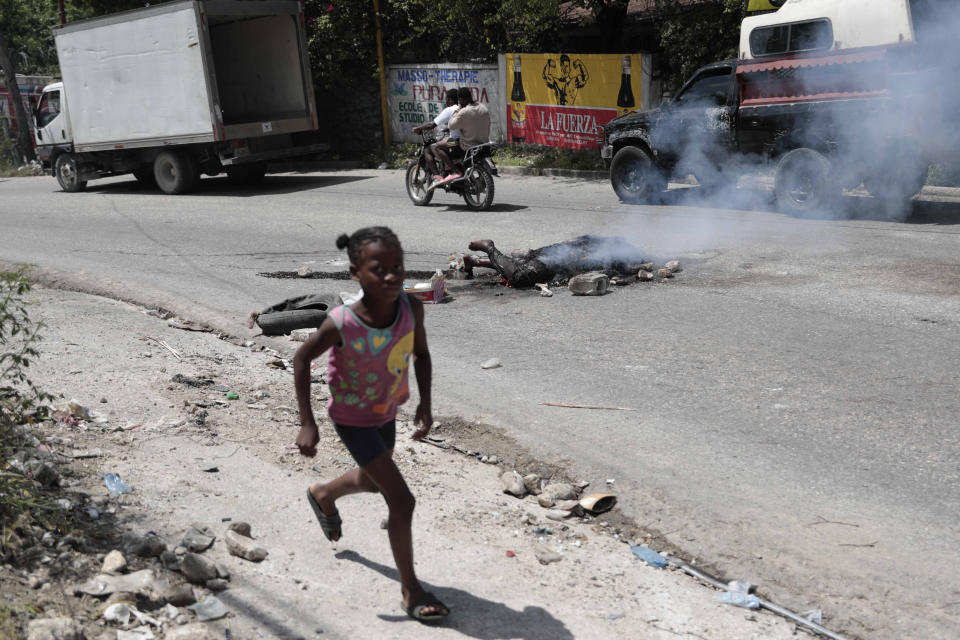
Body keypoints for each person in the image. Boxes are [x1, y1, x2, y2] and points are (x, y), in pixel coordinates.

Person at [293, 226, 449, 622]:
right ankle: (411, 589)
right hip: (352, 420)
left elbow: (422, 355)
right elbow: (300, 359)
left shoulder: (412, 309)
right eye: (379, 269)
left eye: (397, 267)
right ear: (355, 274)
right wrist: (307, 422)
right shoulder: (342, 322)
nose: (392, 276)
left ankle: (324, 493)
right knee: (401, 499)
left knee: (370, 480)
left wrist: (425, 404)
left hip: (385, 412)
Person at [462, 236, 648, 288]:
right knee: (519, 277)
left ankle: (476, 262)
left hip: (552, 255)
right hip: (553, 262)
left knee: (519, 267)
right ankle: (489, 246)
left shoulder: (600, 242)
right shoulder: (613, 257)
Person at [435, 86, 490, 184]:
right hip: (483, 144)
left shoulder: (464, 112)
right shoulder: (483, 108)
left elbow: (451, 125)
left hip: (466, 146)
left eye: (459, 100)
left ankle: (456, 171)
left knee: (438, 147)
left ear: (461, 99)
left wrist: (458, 109)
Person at [412, 88, 460, 181]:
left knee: (430, 148)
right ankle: (448, 168)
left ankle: (438, 176)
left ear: (450, 99)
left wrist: (418, 128)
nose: (446, 102)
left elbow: (431, 125)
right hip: (466, 141)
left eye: (446, 99)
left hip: (455, 143)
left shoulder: (450, 109)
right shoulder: (463, 108)